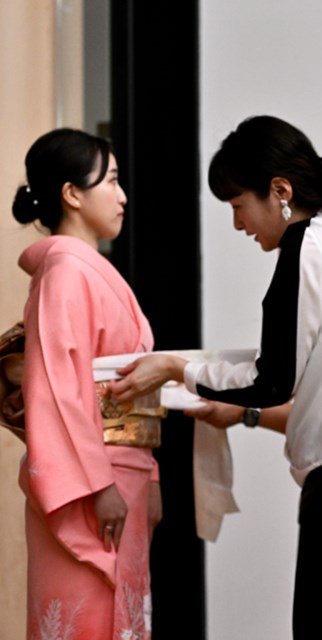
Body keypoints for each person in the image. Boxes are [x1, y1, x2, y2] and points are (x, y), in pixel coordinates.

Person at [109, 116, 322, 639]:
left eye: (237, 205)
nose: (238, 224)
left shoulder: (308, 244)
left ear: (279, 191)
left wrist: (175, 368)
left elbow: (273, 378)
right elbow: (300, 362)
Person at [12, 128, 162, 638]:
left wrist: (152, 474)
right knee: (86, 615)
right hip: (92, 480)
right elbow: (58, 387)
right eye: (112, 181)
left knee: (120, 616)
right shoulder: (65, 270)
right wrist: (96, 485)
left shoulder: (89, 268)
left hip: (125, 472)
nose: (122, 196)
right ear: (72, 194)